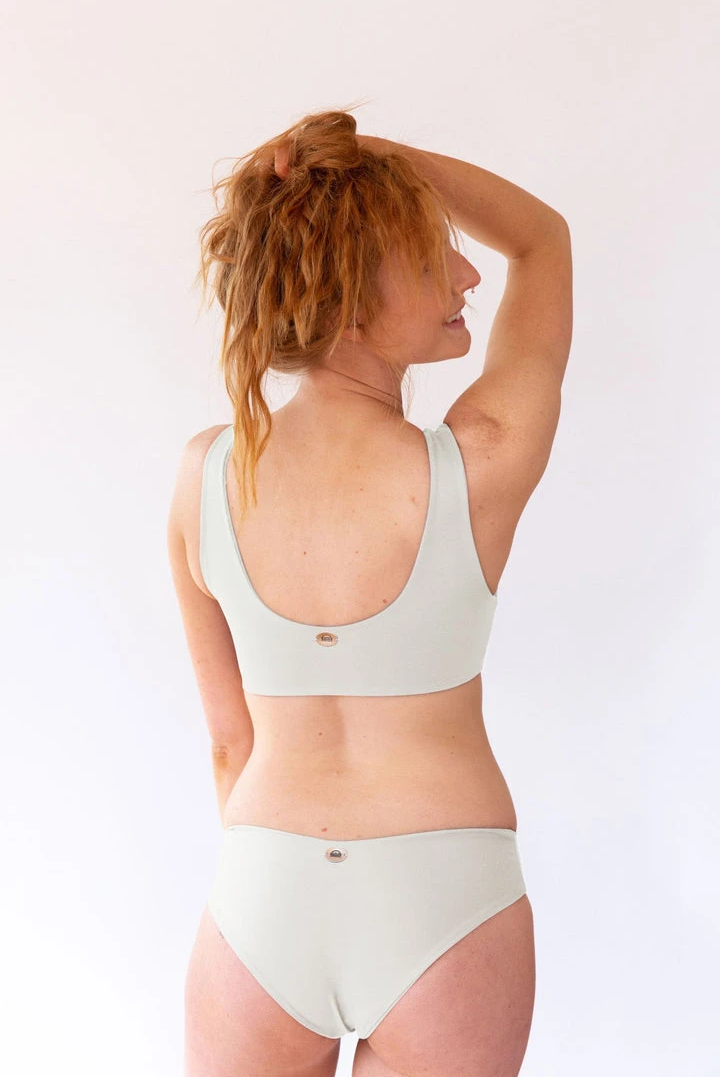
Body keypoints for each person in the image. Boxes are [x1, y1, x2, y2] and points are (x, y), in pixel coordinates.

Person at [167, 106, 573, 1077]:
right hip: (446, 897)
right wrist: (387, 159)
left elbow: (229, 745)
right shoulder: (479, 465)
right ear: (349, 297)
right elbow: (541, 241)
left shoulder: (205, 479)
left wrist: (357, 169)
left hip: (265, 894)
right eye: (433, 255)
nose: (468, 274)